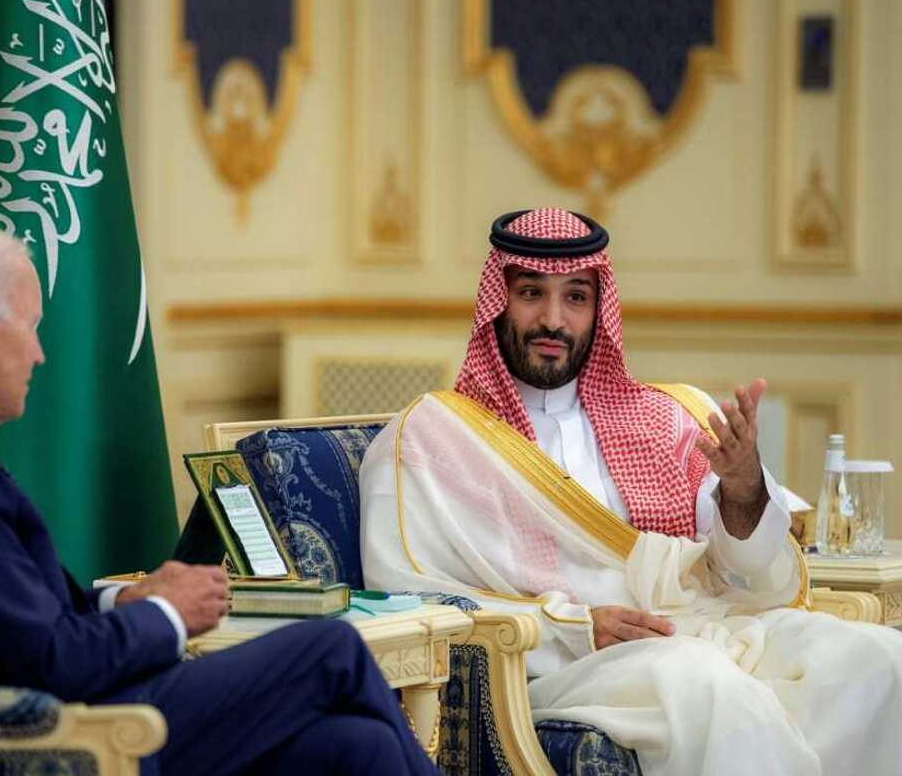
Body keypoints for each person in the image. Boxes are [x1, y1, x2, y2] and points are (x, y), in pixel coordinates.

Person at [0, 221, 441, 776]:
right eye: (34, 328)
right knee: (332, 650)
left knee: (359, 746)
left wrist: (120, 599)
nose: (41, 355)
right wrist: (169, 614)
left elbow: (9, 614)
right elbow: (48, 660)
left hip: (71, 704)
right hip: (56, 737)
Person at [359, 207, 902, 776]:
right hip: (563, 663)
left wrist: (743, 490)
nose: (553, 319)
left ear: (599, 310)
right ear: (498, 300)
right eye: (530, 293)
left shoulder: (666, 417)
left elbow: (748, 578)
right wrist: (572, 628)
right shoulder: (433, 437)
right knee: (706, 687)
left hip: (708, 627)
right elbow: (404, 599)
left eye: (575, 297)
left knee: (878, 661)